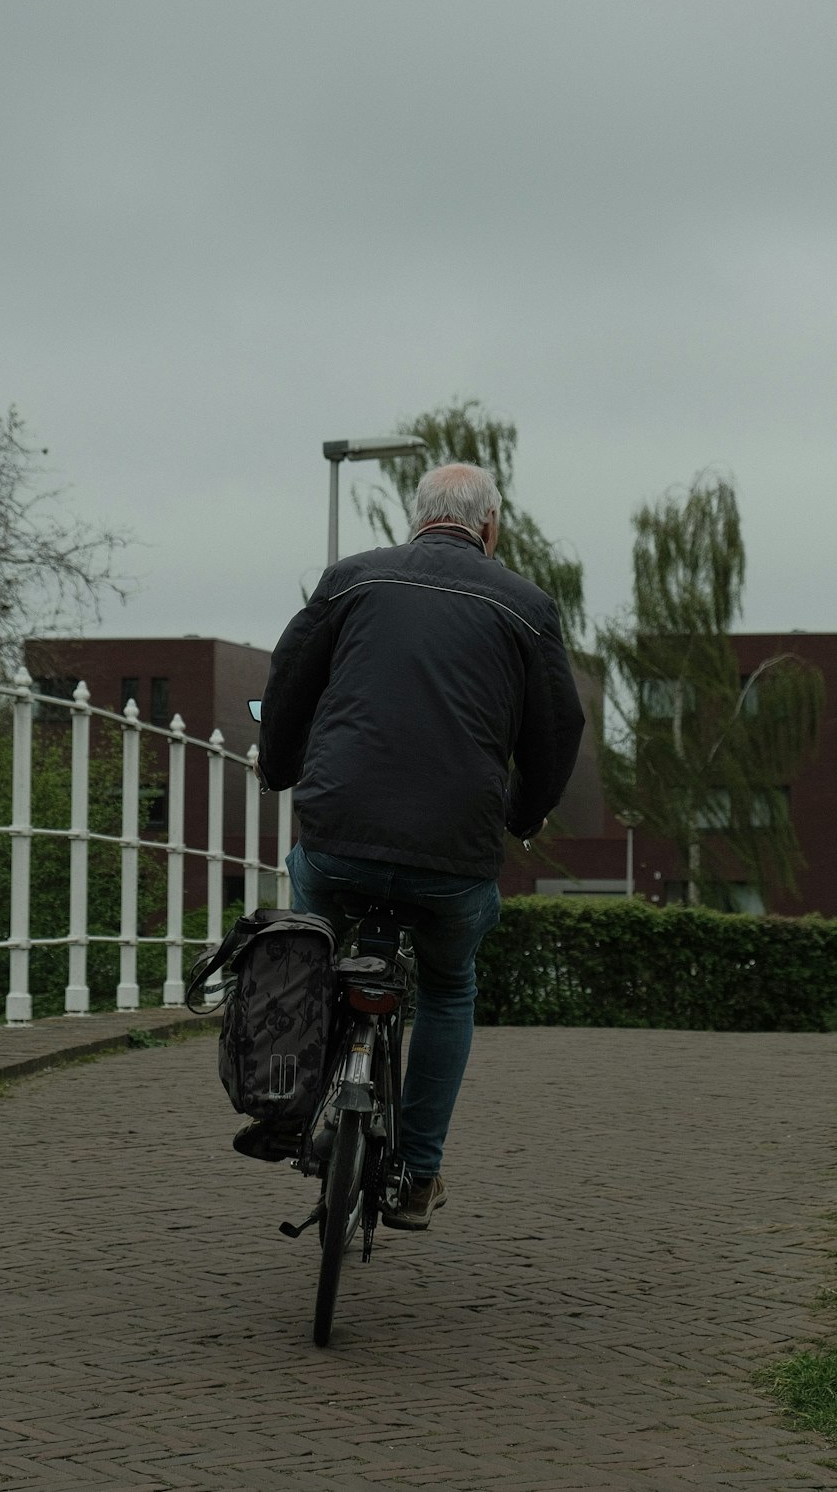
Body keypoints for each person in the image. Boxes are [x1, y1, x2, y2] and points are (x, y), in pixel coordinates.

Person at [240, 462, 585, 1229]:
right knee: (450, 985)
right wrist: (523, 817)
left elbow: (290, 681)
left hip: (339, 836)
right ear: (489, 527)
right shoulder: (528, 607)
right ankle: (420, 1174)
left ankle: (294, 1100)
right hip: (454, 854)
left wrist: (281, 772)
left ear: (415, 517)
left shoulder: (351, 580)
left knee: (309, 942)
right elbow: (557, 732)